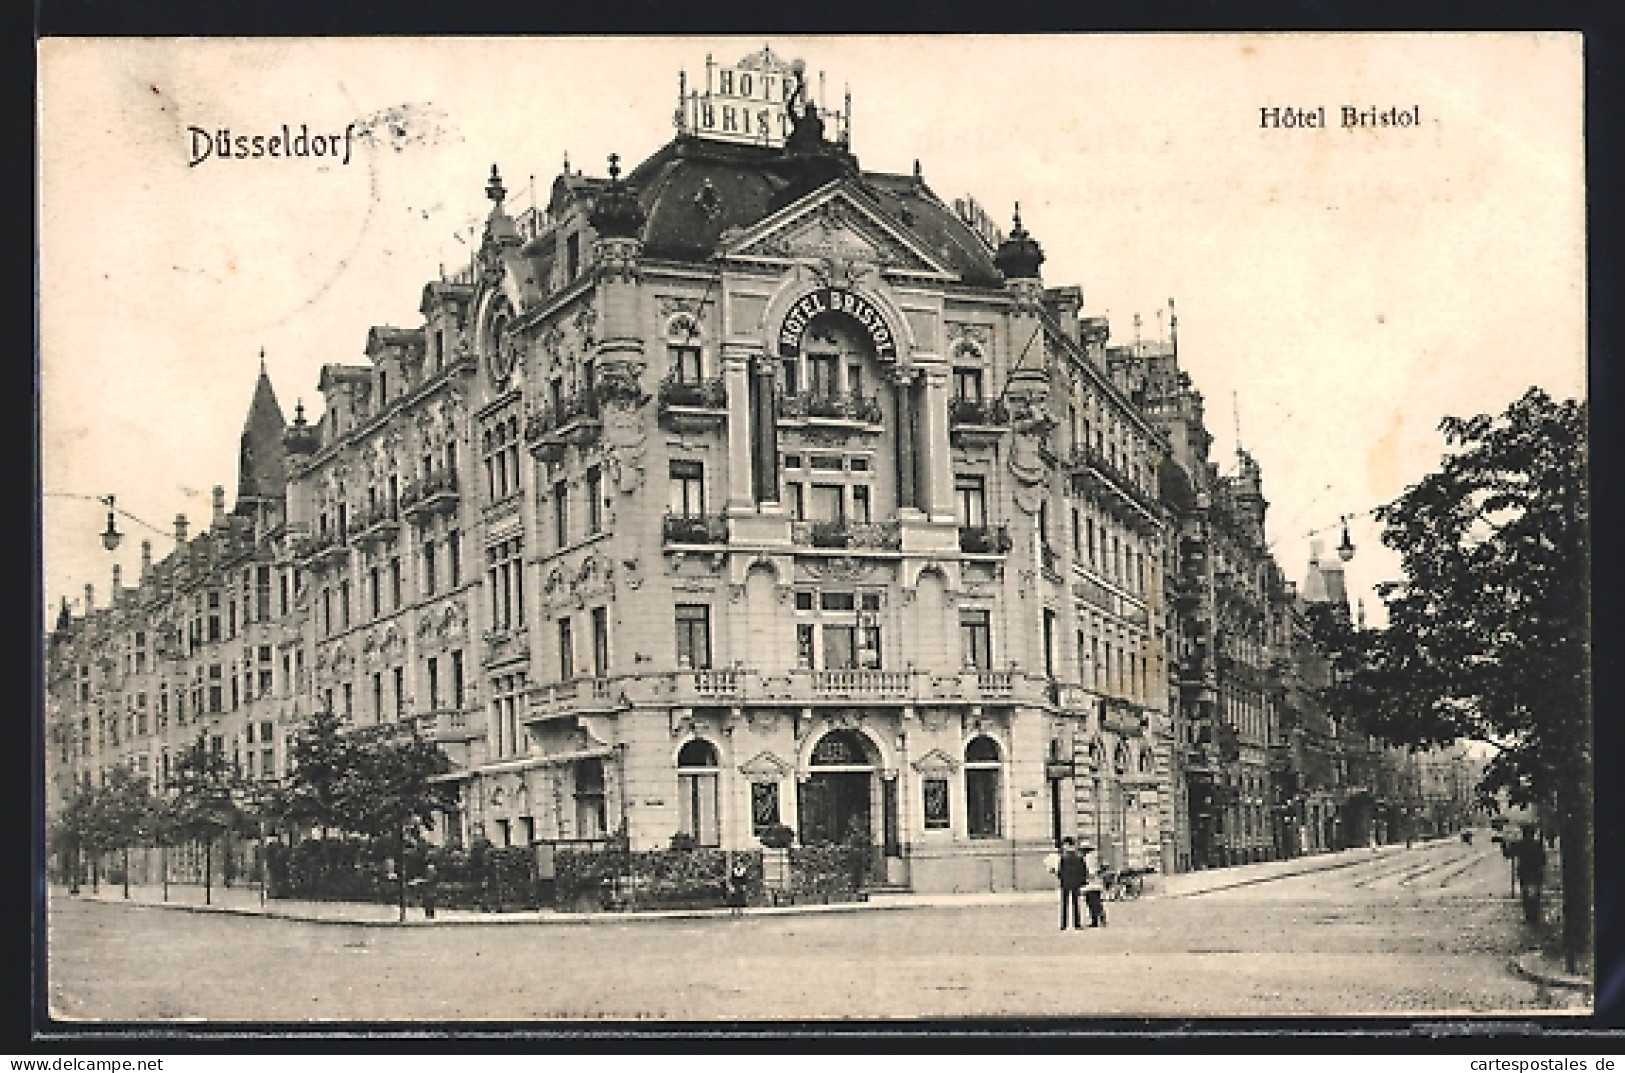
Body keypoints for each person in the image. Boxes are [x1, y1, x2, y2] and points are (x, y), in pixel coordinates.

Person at [1516, 824, 1547, 926]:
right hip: (1536, 872)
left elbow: (1508, 853)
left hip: (1525, 872)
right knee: (1536, 894)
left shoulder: (1521, 844)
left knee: (1525, 894)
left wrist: (1503, 845)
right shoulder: (1537, 845)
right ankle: (1535, 915)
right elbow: (1544, 860)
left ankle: (1529, 915)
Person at [1055, 837, 1087, 930]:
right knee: (1075, 904)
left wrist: (1062, 879)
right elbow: (1083, 871)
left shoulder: (1064, 858)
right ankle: (1076, 924)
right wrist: (1081, 882)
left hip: (1065, 883)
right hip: (1075, 883)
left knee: (1064, 904)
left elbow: (1060, 871)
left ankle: (1064, 924)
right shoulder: (1079, 857)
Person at [1082, 846, 1107, 927]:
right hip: (1097, 883)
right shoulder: (1097, 857)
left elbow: (1088, 871)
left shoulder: (1087, 858)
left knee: (1091, 902)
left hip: (1090, 883)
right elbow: (1104, 866)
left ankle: (1096, 919)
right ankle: (1100, 917)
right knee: (1097, 901)